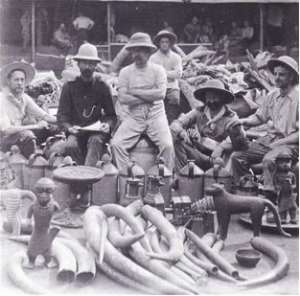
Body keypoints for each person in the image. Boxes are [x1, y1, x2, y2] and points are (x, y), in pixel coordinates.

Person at [231, 56, 299, 204]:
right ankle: (248, 192)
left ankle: (271, 201)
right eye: (275, 74)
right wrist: (243, 121)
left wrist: (279, 143)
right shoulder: (273, 95)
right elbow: (260, 117)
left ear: (292, 76)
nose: (277, 78)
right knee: (238, 157)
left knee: (269, 160)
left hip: (290, 144)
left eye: (282, 74)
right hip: (270, 140)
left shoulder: (298, 98)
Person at [111, 32, 174, 172]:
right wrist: (149, 96)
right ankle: (127, 177)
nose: (136, 54)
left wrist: (134, 91)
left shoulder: (158, 70)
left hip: (156, 115)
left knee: (168, 145)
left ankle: (164, 181)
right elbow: (122, 98)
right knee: (116, 144)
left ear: (148, 51)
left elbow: (161, 94)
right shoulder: (125, 72)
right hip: (134, 116)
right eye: (134, 51)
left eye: (140, 50)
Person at [57, 43, 116, 167]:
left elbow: (111, 115)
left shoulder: (102, 87)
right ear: (78, 64)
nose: (88, 67)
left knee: (95, 141)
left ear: (96, 66)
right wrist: (69, 128)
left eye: (91, 63)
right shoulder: (69, 86)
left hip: (96, 132)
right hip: (75, 130)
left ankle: (88, 177)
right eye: (84, 63)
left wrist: (107, 125)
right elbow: (62, 116)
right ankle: (79, 176)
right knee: (70, 145)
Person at [170, 79, 248, 171]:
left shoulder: (231, 117)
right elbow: (177, 123)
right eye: (209, 97)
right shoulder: (199, 111)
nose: (211, 101)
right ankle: (183, 176)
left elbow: (241, 143)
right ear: (205, 98)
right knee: (178, 142)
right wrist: (182, 133)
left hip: (220, 160)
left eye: (215, 97)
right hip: (200, 155)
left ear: (222, 98)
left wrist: (222, 146)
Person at [0, 61, 56, 158]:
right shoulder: (1, 99)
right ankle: (33, 164)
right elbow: (7, 130)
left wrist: (64, 121)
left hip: (20, 135)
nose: (20, 83)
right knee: (28, 135)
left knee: (54, 129)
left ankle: (53, 159)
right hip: (4, 139)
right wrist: (35, 126)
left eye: (22, 80)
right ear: (8, 81)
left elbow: (44, 115)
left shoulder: (24, 97)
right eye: (16, 80)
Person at [150, 30, 183, 123]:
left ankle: (171, 123)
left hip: (172, 87)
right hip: (158, 87)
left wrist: (162, 72)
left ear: (170, 43)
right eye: (162, 42)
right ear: (159, 43)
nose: (164, 44)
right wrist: (169, 74)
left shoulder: (176, 57)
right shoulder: (153, 58)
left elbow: (178, 74)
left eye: (167, 42)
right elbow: (152, 75)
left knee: (174, 98)